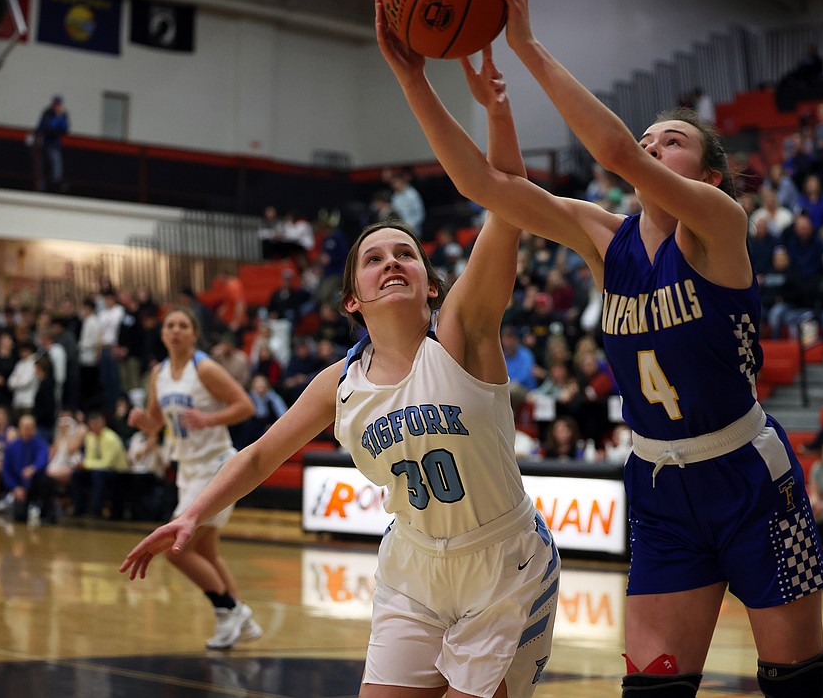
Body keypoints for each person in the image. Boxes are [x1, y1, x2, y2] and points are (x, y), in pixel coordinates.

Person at [377, 0, 823, 696]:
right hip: (658, 484)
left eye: (673, 141)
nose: (653, 146)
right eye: (650, 139)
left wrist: (525, 44)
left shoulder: (721, 222)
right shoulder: (602, 236)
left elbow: (614, 150)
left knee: (794, 684)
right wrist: (411, 78)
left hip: (749, 474)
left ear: (710, 173)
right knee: (650, 690)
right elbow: (484, 185)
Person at [123, 47, 560, 696]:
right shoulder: (340, 383)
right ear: (352, 297)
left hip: (502, 563)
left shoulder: (464, 336)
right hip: (412, 566)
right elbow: (258, 454)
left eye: (405, 255)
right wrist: (194, 516)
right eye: (374, 257)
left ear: (430, 285)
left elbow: (507, 206)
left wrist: (495, 110)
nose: (392, 262)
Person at [123, 305, 261, 648]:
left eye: (183, 325)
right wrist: (141, 420)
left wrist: (207, 419)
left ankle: (229, 610)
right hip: (188, 469)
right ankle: (240, 620)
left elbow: (246, 405)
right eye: (170, 325)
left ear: (194, 334)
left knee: (174, 548)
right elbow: (157, 423)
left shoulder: (205, 368)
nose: (175, 330)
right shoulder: (159, 374)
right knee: (207, 552)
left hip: (216, 467)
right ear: (163, 333)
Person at [34, 94, 70, 192]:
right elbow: (47, 127)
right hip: (45, 143)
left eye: (59, 103)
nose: (57, 105)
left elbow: (65, 129)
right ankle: (40, 185)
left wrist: (59, 117)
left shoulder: (63, 114)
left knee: (56, 163)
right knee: (42, 165)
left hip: (55, 144)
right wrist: (58, 118)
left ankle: (56, 183)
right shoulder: (48, 113)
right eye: (56, 103)